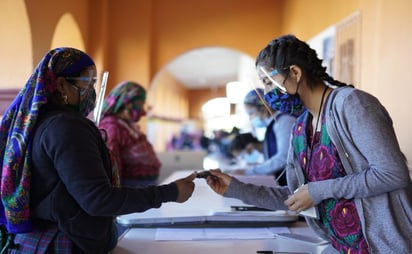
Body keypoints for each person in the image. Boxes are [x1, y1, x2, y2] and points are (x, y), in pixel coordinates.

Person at [203, 34, 412, 253]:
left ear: (294, 72)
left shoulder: (351, 104)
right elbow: (298, 197)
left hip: (382, 247)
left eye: (267, 82)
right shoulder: (301, 127)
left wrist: (319, 190)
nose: (266, 94)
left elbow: (392, 174)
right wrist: (237, 189)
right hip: (339, 246)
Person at [0, 47, 196, 253]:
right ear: (60, 85)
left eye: (95, 84)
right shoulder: (67, 127)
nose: (93, 93)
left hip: (35, 240)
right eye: (88, 83)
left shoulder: (36, 123)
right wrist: (171, 192)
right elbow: (98, 199)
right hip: (61, 242)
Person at [99, 81, 161, 187]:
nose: (143, 111)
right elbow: (113, 166)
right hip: (131, 189)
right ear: (127, 103)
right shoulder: (111, 127)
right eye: (141, 104)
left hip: (143, 186)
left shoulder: (126, 125)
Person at [235, 88, 296, 186]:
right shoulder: (272, 125)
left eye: (251, 113)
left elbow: (284, 157)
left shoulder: (284, 121)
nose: (250, 118)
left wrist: (249, 171)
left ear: (263, 108)